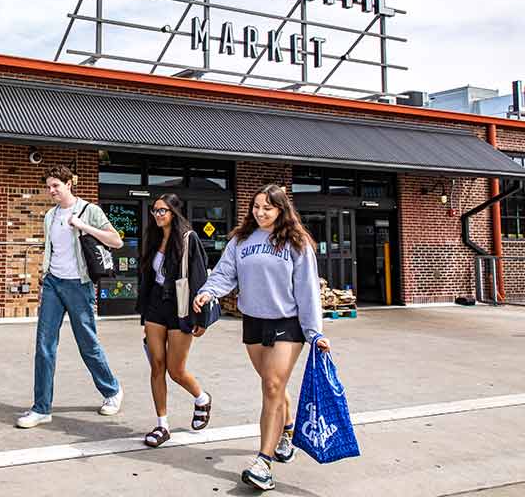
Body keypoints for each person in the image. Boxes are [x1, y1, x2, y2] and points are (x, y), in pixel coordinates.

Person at [193, 184, 330, 492]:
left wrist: (314, 332)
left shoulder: (297, 243)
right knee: (275, 385)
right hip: (254, 322)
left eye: (267, 208)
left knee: (271, 386)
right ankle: (287, 432)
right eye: (256, 207)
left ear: (281, 210)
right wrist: (207, 292)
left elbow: (308, 290)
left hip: (288, 322)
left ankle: (262, 463)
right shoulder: (241, 240)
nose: (260, 212)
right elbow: (224, 273)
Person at [16, 165, 125, 428]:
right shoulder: (50, 216)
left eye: (56, 185)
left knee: (87, 343)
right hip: (53, 284)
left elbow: (116, 241)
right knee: (44, 347)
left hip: (79, 285)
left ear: (69, 184)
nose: (51, 190)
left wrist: (82, 226)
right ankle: (41, 408)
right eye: (49, 186)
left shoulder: (89, 210)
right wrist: (44, 279)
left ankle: (112, 391)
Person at [135, 193, 213, 447]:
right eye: (155, 211)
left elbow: (200, 278)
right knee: (157, 366)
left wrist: (200, 317)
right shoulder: (154, 238)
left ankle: (201, 398)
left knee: (175, 370)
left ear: (174, 213)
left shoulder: (189, 239)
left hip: (180, 307)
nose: (157, 215)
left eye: (162, 211)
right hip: (156, 305)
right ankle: (162, 425)